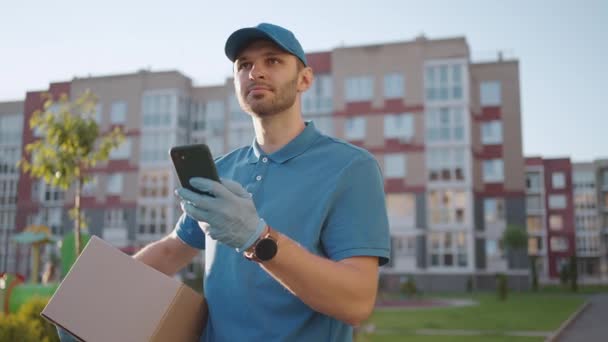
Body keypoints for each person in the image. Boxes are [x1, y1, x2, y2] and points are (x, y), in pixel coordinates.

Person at [60, 22, 390, 342]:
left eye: (272, 60)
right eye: (244, 64)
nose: (255, 72)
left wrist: (258, 240)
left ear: (305, 79)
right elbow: (173, 249)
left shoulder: (351, 167)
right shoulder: (220, 170)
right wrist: (99, 299)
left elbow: (357, 303)